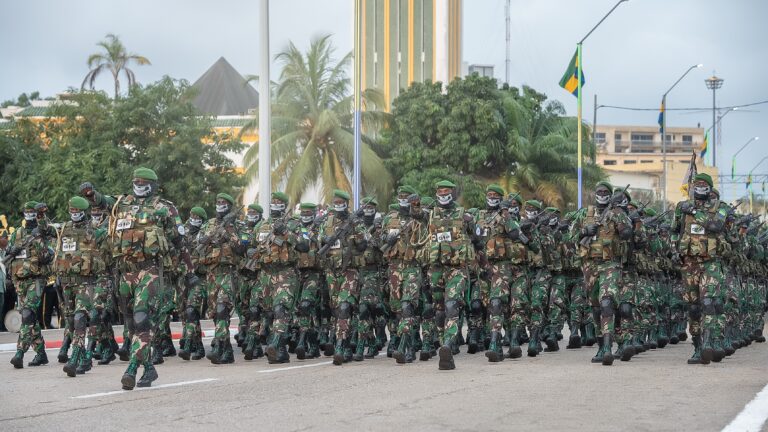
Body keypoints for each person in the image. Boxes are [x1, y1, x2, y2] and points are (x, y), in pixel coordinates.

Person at [111, 167, 197, 389]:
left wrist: (189, 273)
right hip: (126, 271)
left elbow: (180, 243)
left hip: (151, 270)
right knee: (131, 325)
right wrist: (92, 196)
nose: (138, 185)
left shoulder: (165, 209)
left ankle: (131, 369)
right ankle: (149, 368)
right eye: (135, 181)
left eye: (143, 182)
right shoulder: (122, 206)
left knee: (142, 319)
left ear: (152, 185)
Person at [672, 173, 729, 365]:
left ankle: (710, 342)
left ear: (710, 187)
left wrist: (696, 212)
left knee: (708, 302)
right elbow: (675, 231)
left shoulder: (720, 207)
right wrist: (673, 249)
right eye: (697, 183)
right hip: (689, 263)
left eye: (704, 184)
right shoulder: (682, 207)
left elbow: (716, 225)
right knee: (694, 308)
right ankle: (697, 347)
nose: (700, 186)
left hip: (710, 263)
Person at [573, 181, 633, 366]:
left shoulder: (616, 213)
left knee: (607, 302)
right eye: (599, 191)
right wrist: (584, 231)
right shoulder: (585, 213)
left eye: (606, 191)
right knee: (596, 307)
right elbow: (569, 237)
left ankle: (608, 347)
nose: (602, 194)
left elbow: (627, 233)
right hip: (589, 266)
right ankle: (602, 344)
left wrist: (618, 215)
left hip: (610, 264)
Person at [54, 196, 111, 376]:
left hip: (88, 283)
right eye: (72, 211)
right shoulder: (64, 229)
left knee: (81, 318)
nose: (74, 214)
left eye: (77, 212)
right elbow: (59, 252)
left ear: (84, 212)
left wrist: (104, 284)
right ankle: (87, 356)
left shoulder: (95, 231)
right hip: (67, 283)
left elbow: (106, 258)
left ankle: (76, 356)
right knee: (71, 321)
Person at [424, 180, 478, 370]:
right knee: (438, 311)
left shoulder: (463, 215)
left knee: (451, 306)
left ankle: (447, 344)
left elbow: (476, 238)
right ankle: (444, 344)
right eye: (440, 191)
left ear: (452, 193)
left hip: (457, 268)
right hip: (436, 269)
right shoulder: (430, 215)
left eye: (447, 191)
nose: (443, 194)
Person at [197, 193, 245, 364]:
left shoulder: (237, 225)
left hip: (228, 272)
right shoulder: (208, 224)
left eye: (224, 202)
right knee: (216, 315)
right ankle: (227, 350)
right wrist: (204, 239)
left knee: (222, 309)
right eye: (218, 202)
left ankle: (218, 346)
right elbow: (199, 246)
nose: (220, 204)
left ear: (230, 206)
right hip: (211, 273)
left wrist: (228, 232)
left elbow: (241, 248)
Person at [8, 201, 55, 368]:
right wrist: (11, 250)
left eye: (32, 212)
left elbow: (46, 256)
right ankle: (41, 353)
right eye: (26, 212)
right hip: (20, 279)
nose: (29, 215)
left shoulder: (42, 232)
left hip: (36, 278)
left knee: (27, 314)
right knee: (31, 318)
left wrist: (37, 240)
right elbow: (10, 253)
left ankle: (20, 352)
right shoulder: (18, 233)